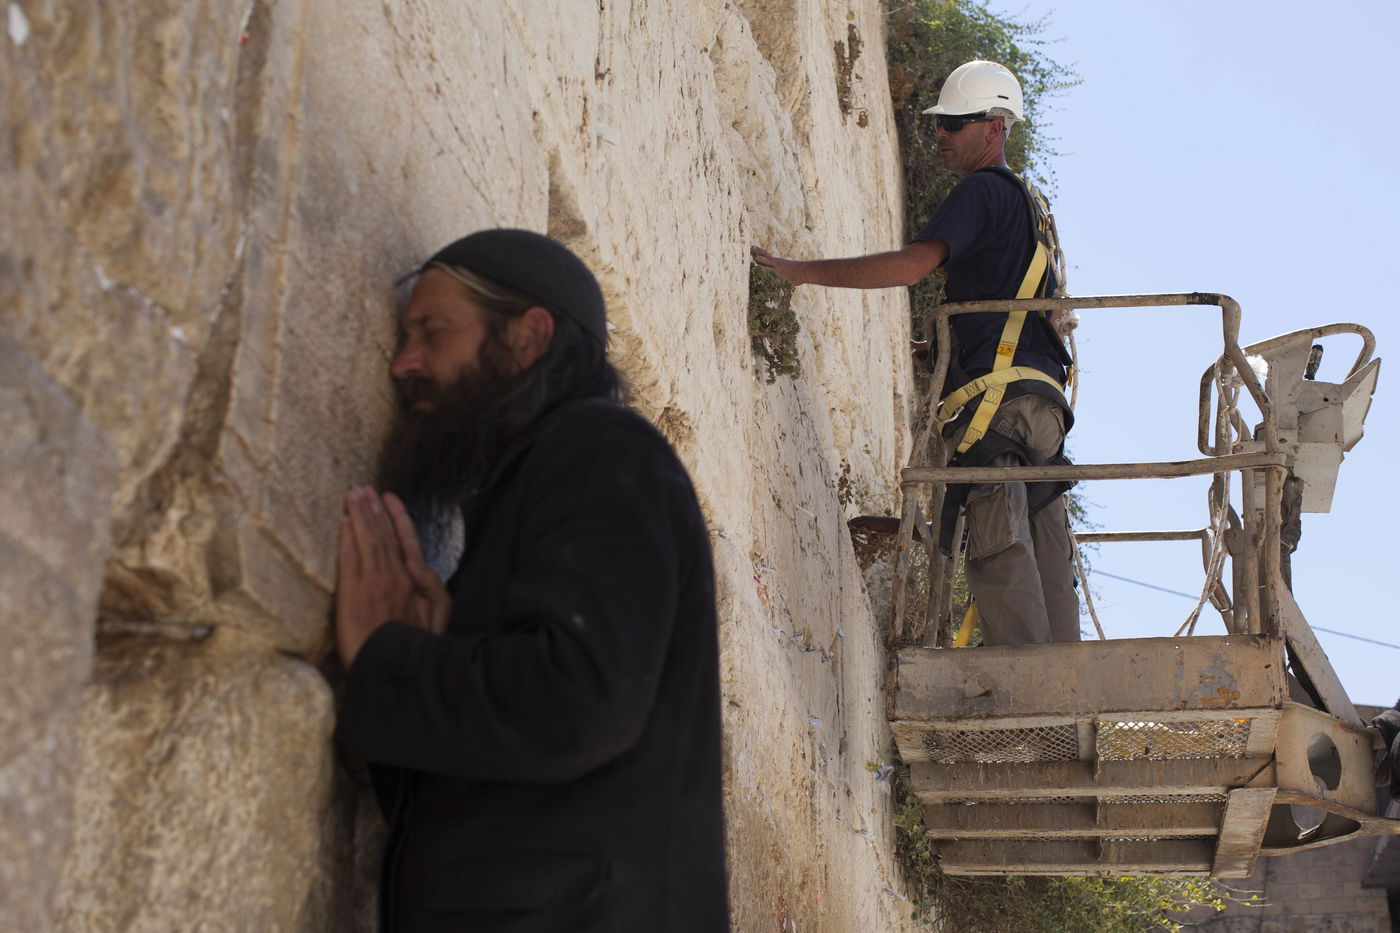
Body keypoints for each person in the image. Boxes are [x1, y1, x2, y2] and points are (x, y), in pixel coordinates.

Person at [334, 229, 729, 931]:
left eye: (431, 330)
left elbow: (580, 701)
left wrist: (389, 660)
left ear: (527, 336)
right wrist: (436, 650)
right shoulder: (540, 484)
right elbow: (486, 794)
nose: (403, 363)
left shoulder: (604, 447)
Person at [753, 60, 1078, 646]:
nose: (942, 134)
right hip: (1041, 408)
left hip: (997, 405)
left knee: (997, 549)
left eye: (956, 123)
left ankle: (1034, 702)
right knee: (1045, 551)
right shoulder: (1031, 205)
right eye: (940, 123)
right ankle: (1074, 696)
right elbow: (1018, 308)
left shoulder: (983, 190)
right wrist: (946, 350)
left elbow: (910, 266)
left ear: (995, 126)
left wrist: (798, 272)